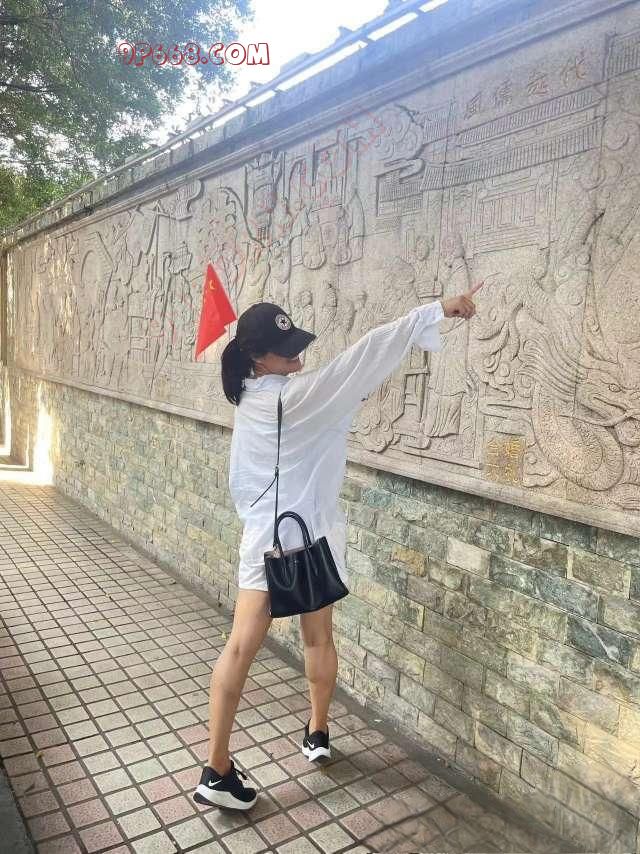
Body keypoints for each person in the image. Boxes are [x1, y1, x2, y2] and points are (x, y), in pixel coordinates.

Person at [193, 282, 483, 810]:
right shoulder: (294, 398)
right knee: (317, 639)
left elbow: (245, 482)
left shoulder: (253, 398)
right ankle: (313, 734)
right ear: (257, 357)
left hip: (266, 543)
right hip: (308, 540)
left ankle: (222, 766)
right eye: (284, 350)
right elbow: (364, 355)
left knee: (240, 649)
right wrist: (436, 310)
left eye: (296, 344)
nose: (296, 355)